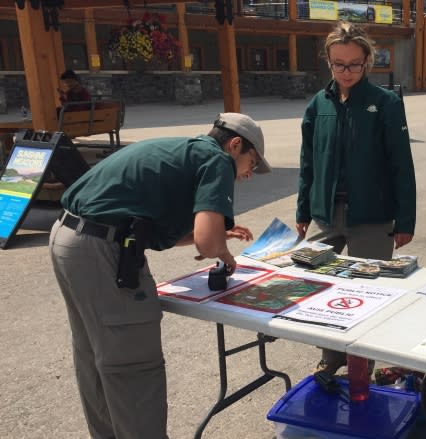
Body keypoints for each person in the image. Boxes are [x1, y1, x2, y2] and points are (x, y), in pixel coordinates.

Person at [49, 112, 271, 439]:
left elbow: (178, 234)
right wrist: (221, 249)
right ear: (235, 145)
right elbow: (207, 242)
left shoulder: (184, 151)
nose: (249, 174)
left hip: (69, 238)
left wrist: (215, 234)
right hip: (99, 247)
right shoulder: (217, 160)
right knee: (133, 365)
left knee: (96, 357)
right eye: (251, 163)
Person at [295, 21, 416, 375]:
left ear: (367, 63)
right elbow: (308, 164)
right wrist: (303, 209)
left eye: (354, 64)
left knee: (368, 295)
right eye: (338, 64)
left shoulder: (385, 104)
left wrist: (404, 220)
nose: (346, 72)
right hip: (326, 214)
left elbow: (401, 166)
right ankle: (330, 360)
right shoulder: (318, 105)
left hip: (373, 218)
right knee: (319, 288)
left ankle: (361, 367)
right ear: (328, 61)